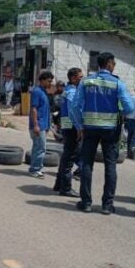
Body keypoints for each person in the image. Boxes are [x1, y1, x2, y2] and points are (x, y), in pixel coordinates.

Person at [71, 52, 134, 214]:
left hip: (90, 127)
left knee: (86, 164)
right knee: (110, 165)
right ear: (108, 63)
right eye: (113, 63)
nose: (114, 67)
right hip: (110, 130)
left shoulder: (86, 81)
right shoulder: (117, 84)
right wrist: (117, 110)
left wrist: (79, 125)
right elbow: (129, 108)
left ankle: (86, 202)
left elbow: (75, 106)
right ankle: (107, 205)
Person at [52, 68, 83, 196]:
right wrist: (79, 128)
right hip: (72, 127)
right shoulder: (72, 93)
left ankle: (59, 184)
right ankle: (66, 188)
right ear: (73, 78)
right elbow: (73, 111)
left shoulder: (68, 91)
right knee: (70, 157)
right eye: (80, 77)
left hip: (66, 125)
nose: (82, 79)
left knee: (66, 155)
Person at [28, 71, 54, 179]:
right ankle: (35, 169)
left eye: (51, 81)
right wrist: (36, 125)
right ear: (42, 80)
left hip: (44, 125)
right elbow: (33, 109)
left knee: (37, 147)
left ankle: (34, 168)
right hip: (38, 125)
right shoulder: (37, 92)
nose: (50, 83)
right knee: (41, 148)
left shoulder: (44, 92)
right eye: (49, 81)